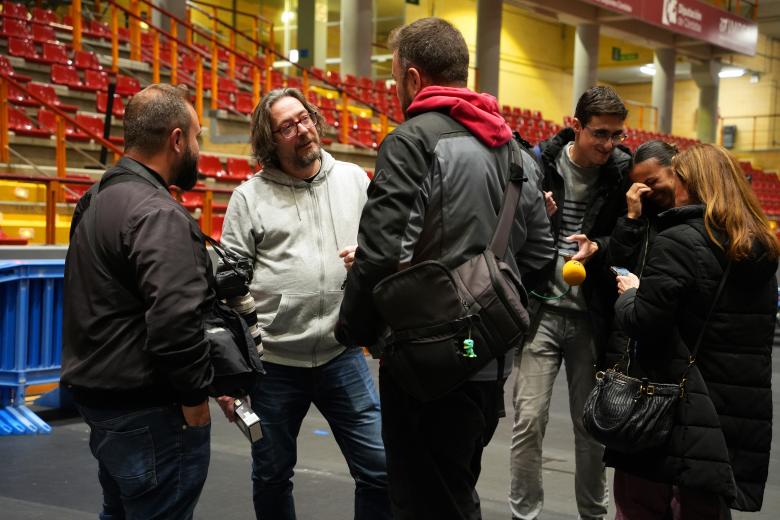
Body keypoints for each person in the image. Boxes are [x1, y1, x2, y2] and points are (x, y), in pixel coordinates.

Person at [336, 17, 555, 520]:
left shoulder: (413, 142)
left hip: (425, 365)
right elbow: (542, 263)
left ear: (412, 78)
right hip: (486, 359)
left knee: (425, 500)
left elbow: (381, 254)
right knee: (457, 486)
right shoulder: (517, 151)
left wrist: (358, 329)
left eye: (395, 78)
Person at [219, 88, 391, 520]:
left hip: (341, 352)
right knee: (272, 476)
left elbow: (386, 248)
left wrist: (368, 259)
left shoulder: (353, 179)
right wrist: (229, 375)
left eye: (305, 119)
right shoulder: (249, 197)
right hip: (273, 364)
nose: (303, 130)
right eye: (287, 126)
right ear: (269, 140)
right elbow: (227, 288)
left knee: (380, 471)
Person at [61, 84, 214, 519]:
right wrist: (194, 397)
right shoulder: (157, 212)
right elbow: (174, 320)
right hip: (148, 408)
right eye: (198, 137)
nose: (199, 149)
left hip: (102, 400)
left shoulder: (95, 199)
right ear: (177, 140)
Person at [610, 143, 778, 518]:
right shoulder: (761, 246)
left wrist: (630, 295)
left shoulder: (679, 239)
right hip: (733, 402)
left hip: (677, 400)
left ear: (694, 183)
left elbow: (644, 321)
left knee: (642, 504)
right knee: (705, 506)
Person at [509, 86, 631, 520]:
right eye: (600, 133)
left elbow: (627, 241)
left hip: (590, 319)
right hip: (540, 310)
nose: (609, 144)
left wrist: (598, 245)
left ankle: (593, 516)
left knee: (591, 428)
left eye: (616, 135)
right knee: (528, 421)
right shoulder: (536, 163)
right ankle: (524, 514)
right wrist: (532, 213)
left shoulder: (622, 172)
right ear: (575, 125)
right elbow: (507, 233)